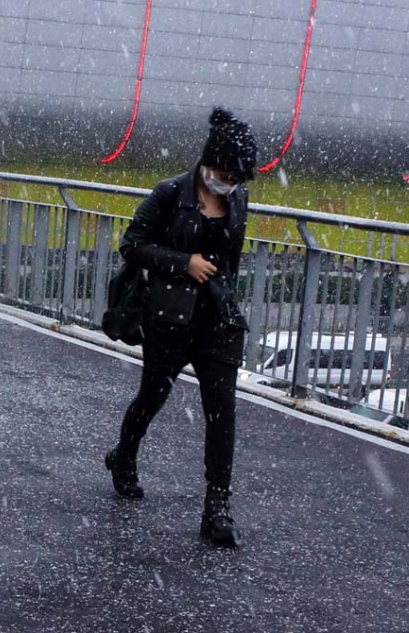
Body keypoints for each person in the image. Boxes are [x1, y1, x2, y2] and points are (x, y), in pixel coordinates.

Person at [104, 107, 257, 547]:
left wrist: (223, 295)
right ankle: (124, 457)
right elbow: (132, 245)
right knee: (152, 396)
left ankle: (217, 508)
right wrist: (182, 262)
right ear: (209, 163)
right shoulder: (170, 192)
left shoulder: (237, 199)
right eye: (225, 173)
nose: (229, 183)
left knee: (221, 411)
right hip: (170, 317)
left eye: (237, 177)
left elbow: (229, 260)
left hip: (218, 319)